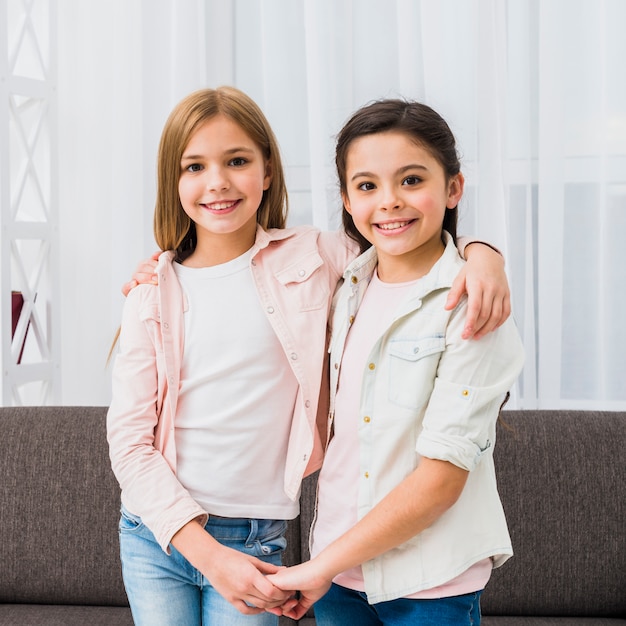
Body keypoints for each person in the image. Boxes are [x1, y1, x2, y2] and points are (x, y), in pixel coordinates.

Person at [108, 86, 511, 626]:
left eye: (237, 161)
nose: (218, 182)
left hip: (258, 533)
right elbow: (129, 442)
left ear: (268, 170)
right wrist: (205, 553)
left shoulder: (317, 258)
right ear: (172, 180)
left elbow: (404, 242)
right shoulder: (152, 293)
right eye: (194, 167)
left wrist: (484, 255)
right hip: (157, 531)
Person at [267, 99, 525, 626]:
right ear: (345, 198)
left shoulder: (473, 306)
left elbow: (440, 481)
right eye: (367, 186)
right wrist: (158, 270)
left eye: (411, 180)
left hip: (429, 583)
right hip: (340, 577)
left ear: (454, 187)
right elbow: (241, 254)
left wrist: (483, 255)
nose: (389, 202)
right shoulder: (345, 284)